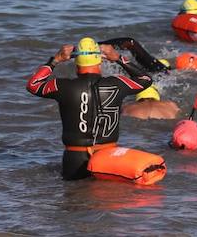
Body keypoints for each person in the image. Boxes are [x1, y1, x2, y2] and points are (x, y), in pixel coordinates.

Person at [26, 37, 153, 180]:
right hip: (107, 156)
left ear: (76, 63)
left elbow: (33, 85)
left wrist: (55, 60)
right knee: (107, 198)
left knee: (75, 198)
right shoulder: (117, 84)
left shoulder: (62, 86)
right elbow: (146, 79)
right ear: (99, 61)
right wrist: (118, 58)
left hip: (74, 157)